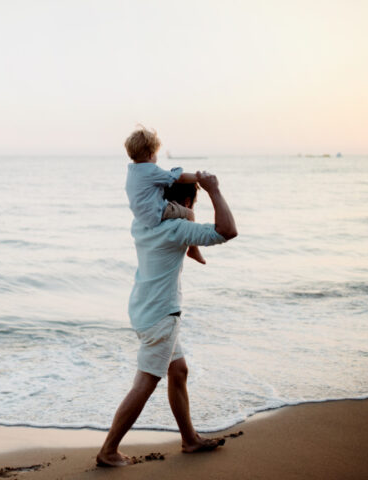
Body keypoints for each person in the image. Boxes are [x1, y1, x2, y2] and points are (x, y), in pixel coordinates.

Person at [96, 170, 237, 467]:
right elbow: (228, 230)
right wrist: (214, 190)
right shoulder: (176, 229)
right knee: (145, 383)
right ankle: (109, 450)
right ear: (186, 203)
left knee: (179, 371)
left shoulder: (143, 222)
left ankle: (190, 439)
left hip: (144, 309)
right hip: (162, 316)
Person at [124, 127, 206, 264]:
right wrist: (200, 178)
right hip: (156, 214)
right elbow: (179, 178)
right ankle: (193, 250)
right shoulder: (151, 170)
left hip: (140, 215)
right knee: (190, 214)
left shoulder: (132, 171)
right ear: (151, 155)